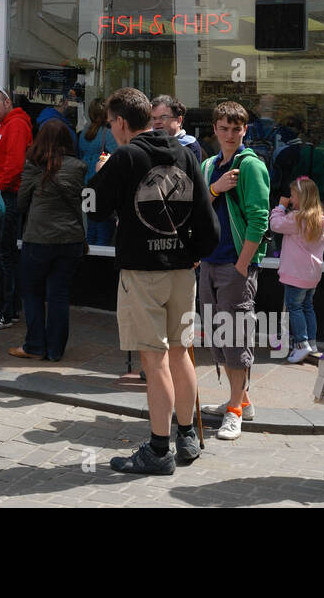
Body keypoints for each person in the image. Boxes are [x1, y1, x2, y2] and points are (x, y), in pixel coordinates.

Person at [87, 88, 219, 475]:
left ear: (122, 122)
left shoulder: (125, 156)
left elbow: (92, 208)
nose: (110, 130)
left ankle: (159, 451)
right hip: (182, 271)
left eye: (111, 123)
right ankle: (188, 436)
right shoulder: (183, 152)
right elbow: (208, 223)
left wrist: (99, 174)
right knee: (180, 352)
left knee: (154, 357)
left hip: (142, 272)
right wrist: (194, 253)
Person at [197, 100, 270, 441]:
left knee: (236, 336)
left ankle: (235, 410)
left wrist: (243, 264)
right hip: (209, 262)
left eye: (235, 128)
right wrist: (216, 188)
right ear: (214, 129)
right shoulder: (210, 164)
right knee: (217, 335)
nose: (229, 134)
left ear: (244, 130)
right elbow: (196, 207)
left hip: (234, 265)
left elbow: (259, 218)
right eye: (223, 128)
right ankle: (241, 399)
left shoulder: (251, 166)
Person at [12, 119, 87, 361]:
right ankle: (55, 350)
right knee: (59, 295)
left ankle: (34, 345)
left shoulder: (34, 166)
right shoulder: (79, 167)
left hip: (39, 239)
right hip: (71, 240)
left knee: (32, 292)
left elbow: (21, 202)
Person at [0, 86, 32, 329]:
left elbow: (15, 165)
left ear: (7, 103)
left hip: (7, 197)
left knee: (4, 255)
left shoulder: (16, 125)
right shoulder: (7, 126)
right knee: (3, 254)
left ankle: (5, 311)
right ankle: (6, 308)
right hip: (4, 196)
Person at [270, 175, 324, 364]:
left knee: (294, 307)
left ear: (302, 198)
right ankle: (311, 343)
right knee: (307, 307)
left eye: (293, 196)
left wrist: (280, 207)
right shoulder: (319, 220)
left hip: (295, 274)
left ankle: (301, 344)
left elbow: (275, 225)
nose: (291, 199)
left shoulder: (296, 218)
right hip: (312, 275)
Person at [78, 97, 118, 246]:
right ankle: (100, 264)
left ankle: (90, 263)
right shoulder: (108, 134)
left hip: (86, 186)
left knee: (91, 228)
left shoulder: (83, 133)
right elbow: (117, 154)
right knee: (104, 230)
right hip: (101, 187)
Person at [151, 95, 203, 164]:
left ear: (179, 120)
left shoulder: (189, 144)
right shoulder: (148, 142)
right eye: (153, 118)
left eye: (163, 117)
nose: (157, 122)